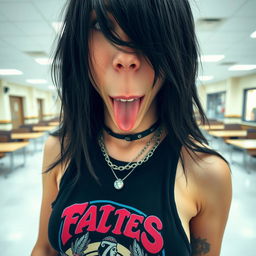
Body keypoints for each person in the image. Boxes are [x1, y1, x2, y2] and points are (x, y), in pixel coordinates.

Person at [31, 0, 232, 255]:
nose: (126, 58)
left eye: (149, 29)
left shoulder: (207, 173)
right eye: (101, 26)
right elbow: (45, 248)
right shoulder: (60, 148)